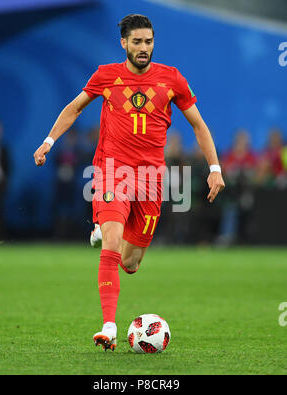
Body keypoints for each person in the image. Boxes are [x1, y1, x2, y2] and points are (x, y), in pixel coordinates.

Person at [34, 14, 225, 351]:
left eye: (148, 42)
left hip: (151, 179)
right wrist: (48, 142)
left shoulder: (172, 79)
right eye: (137, 42)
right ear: (123, 43)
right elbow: (75, 108)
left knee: (131, 262)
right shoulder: (106, 75)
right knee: (112, 240)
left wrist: (215, 167)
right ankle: (108, 326)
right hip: (112, 171)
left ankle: (101, 234)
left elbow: (198, 124)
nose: (143, 48)